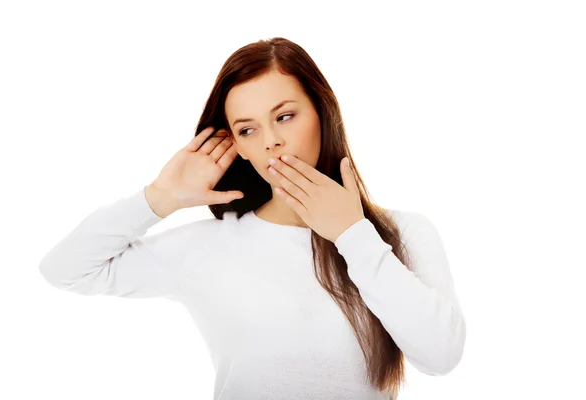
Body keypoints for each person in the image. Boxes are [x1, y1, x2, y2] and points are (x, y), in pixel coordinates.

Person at [39, 37, 466, 400]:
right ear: (237, 146)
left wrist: (353, 234)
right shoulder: (210, 245)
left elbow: (441, 356)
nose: (272, 142)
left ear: (322, 111)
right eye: (248, 130)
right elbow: (64, 270)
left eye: (284, 116)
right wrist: (158, 198)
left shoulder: (402, 234)